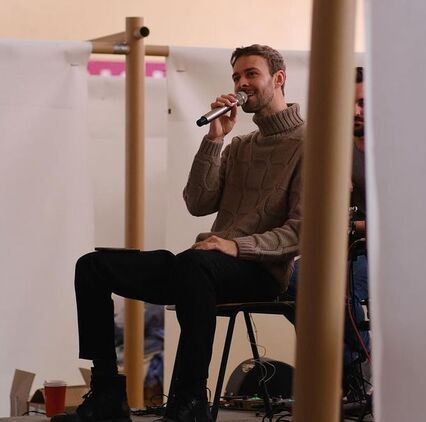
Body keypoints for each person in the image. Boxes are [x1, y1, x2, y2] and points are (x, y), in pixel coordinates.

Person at [55, 44, 305, 422]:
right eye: (236, 76)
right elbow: (198, 201)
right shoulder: (241, 146)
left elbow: (303, 231)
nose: (241, 83)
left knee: (194, 264)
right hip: (204, 267)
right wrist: (214, 139)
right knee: (92, 266)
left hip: (260, 271)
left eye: (251, 74)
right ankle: (107, 393)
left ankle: (189, 401)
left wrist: (236, 246)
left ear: (279, 79)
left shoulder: (310, 144)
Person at [287, 66, 369, 393]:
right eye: (349, 104)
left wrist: (353, 224)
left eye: (363, 103)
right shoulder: (334, 149)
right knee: (290, 279)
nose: (356, 112)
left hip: (384, 253)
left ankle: (357, 371)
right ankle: (341, 366)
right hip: (341, 248)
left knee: (339, 286)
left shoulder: (398, 153)